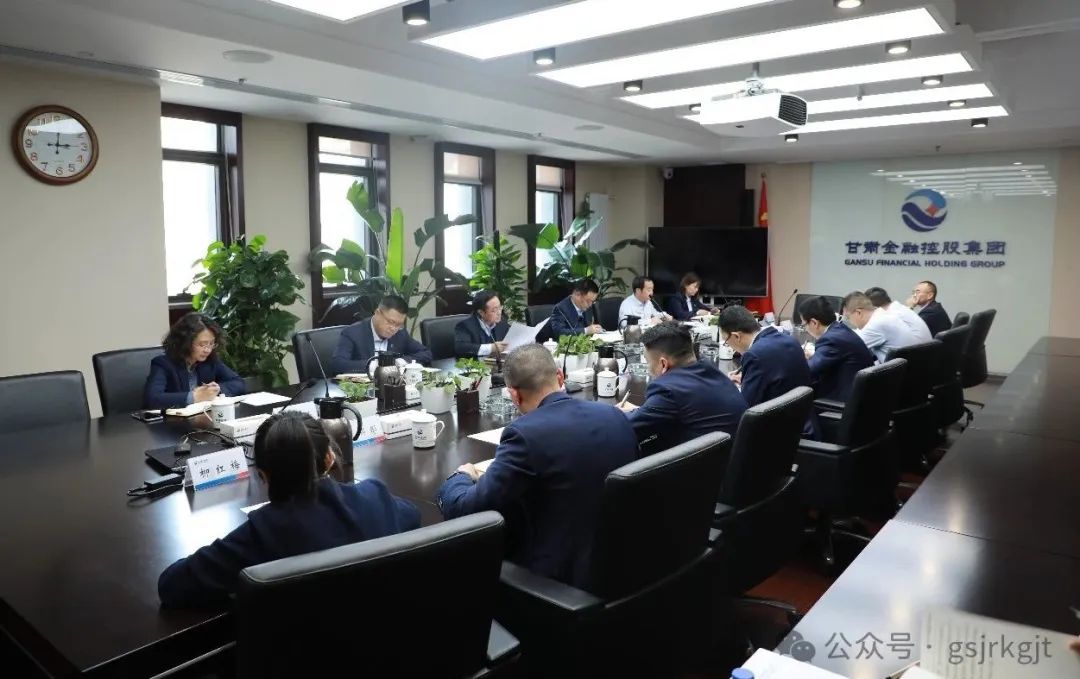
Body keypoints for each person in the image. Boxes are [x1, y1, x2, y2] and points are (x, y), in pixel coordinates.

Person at [158, 412, 420, 609]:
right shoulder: (374, 496)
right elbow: (412, 515)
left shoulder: (261, 532)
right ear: (329, 459)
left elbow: (171, 585)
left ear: (263, 476)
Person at [435, 344, 638, 588]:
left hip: (556, 583)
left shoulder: (524, 435)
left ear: (514, 395)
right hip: (623, 565)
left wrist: (459, 478)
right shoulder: (614, 415)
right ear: (560, 377)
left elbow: (467, 510)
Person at [620, 322, 745, 454]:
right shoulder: (711, 370)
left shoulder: (667, 390)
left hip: (707, 464)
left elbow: (624, 428)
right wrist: (640, 411)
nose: (648, 368)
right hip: (737, 457)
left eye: (647, 361)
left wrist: (615, 413)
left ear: (663, 364)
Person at [144, 313, 246, 409]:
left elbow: (239, 383)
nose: (208, 350)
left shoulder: (210, 361)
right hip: (175, 420)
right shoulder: (163, 364)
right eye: (202, 344)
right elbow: (152, 399)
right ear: (185, 342)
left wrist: (216, 390)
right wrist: (195, 396)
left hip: (204, 416)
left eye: (211, 343)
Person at [719, 305, 812, 411]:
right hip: (802, 415)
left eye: (726, 341)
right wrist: (748, 377)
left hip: (773, 418)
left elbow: (745, 405)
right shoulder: (790, 340)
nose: (729, 346)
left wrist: (729, 386)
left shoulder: (754, 355)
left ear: (737, 336)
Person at [798, 296, 875, 402]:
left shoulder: (831, 340)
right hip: (862, 395)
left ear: (814, 323)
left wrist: (798, 360)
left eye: (804, 325)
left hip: (845, 402)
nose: (805, 329)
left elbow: (808, 372)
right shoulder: (840, 329)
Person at [331, 295, 432, 375]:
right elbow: (338, 364)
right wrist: (374, 365)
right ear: (377, 313)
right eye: (391, 322)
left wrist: (402, 361)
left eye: (399, 324)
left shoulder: (400, 334)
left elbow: (426, 353)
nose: (393, 328)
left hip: (393, 387)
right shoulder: (352, 333)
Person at [841, 291, 919, 364]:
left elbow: (846, 349)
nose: (849, 322)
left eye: (848, 317)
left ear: (858, 312)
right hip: (907, 366)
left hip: (901, 372)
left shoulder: (875, 325)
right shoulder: (882, 315)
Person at [454, 290, 510, 359]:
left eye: (500, 307)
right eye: (494, 310)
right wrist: (491, 348)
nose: (499, 313)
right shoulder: (465, 326)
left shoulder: (502, 323)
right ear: (481, 312)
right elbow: (461, 348)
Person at [865, 286, 931, 342]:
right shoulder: (899, 309)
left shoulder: (887, 316)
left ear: (874, 308)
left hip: (915, 351)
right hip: (923, 349)